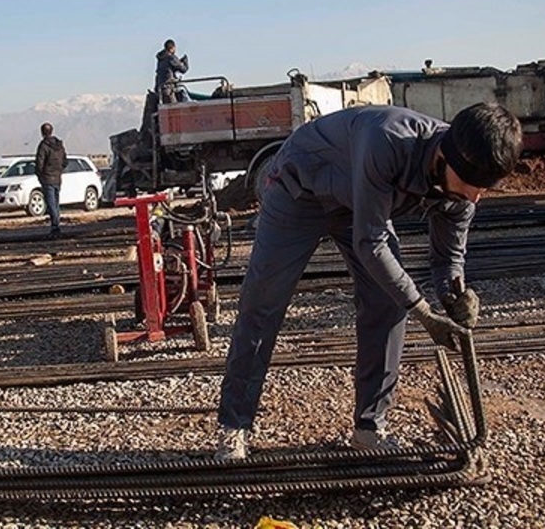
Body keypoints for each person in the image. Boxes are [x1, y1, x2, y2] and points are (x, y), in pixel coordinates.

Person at [214, 102, 522, 461]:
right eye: (472, 185)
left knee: (389, 302)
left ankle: (369, 427)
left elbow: (447, 258)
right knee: (263, 303)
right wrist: (423, 309)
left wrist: (453, 293)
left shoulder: (465, 185)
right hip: (299, 189)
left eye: (484, 187)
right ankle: (234, 426)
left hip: (361, 205)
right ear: (448, 157)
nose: (475, 197)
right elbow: (370, 242)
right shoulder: (388, 140)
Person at [35, 123, 66, 238]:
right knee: (56, 203)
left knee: (51, 204)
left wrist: (40, 175)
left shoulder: (43, 146)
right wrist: (58, 170)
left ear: (42, 132)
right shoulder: (59, 146)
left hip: (47, 178)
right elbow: (65, 161)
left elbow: (39, 163)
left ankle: (55, 227)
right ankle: (56, 224)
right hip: (57, 178)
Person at [154, 37, 190, 104]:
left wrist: (178, 61)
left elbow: (168, 68)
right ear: (172, 48)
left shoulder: (161, 59)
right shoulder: (171, 58)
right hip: (168, 90)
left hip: (159, 90)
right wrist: (185, 61)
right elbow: (184, 69)